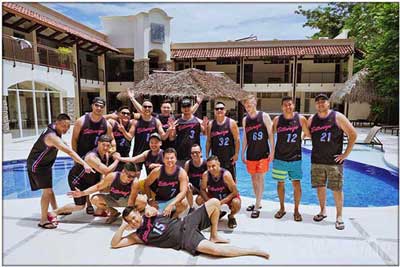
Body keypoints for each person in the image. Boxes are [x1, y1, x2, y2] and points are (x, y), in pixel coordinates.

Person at [111, 198, 270, 260]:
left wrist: (148, 208)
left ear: (138, 214)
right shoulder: (137, 236)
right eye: (131, 220)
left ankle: (214, 234)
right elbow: (115, 244)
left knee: (214, 202)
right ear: (129, 223)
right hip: (184, 240)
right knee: (216, 251)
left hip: (186, 222)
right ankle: (252, 251)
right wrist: (123, 226)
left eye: (134, 216)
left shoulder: (149, 214)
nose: (135, 220)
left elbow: (147, 205)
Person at [26, 113, 94, 229]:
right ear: (57, 123)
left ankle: (56, 210)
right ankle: (43, 220)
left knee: (49, 190)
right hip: (37, 166)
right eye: (63, 126)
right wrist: (84, 164)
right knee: (47, 192)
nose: (66, 129)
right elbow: (69, 152)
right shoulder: (52, 136)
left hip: (45, 165)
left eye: (68, 126)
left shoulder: (55, 129)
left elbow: (64, 144)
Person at [308, 93, 357, 230]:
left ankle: (339, 216)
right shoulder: (312, 119)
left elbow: (353, 134)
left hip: (334, 161)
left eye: (323, 101)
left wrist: (345, 154)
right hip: (317, 160)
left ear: (328, 103)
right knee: (320, 187)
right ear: (315, 105)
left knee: (336, 189)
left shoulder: (337, 117)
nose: (320, 104)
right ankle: (323, 211)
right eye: (318, 102)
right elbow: (307, 132)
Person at [50, 135, 120, 219]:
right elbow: (106, 170)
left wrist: (103, 183)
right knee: (80, 206)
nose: (105, 147)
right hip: (77, 180)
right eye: (103, 145)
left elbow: (104, 172)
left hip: (90, 179)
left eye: (108, 145)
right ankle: (55, 212)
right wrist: (117, 159)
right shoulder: (91, 157)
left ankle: (100, 210)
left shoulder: (106, 154)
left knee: (108, 186)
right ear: (98, 143)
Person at [71, 97, 114, 214]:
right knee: (84, 179)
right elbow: (74, 140)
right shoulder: (81, 121)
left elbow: (111, 140)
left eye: (101, 106)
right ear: (92, 106)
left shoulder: (106, 124)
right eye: (97, 105)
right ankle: (87, 202)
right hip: (83, 157)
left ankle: (91, 202)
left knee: (94, 180)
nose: (99, 108)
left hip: (97, 157)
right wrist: (75, 158)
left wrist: (110, 152)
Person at [272, 96, 311, 222]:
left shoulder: (300, 119)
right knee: (280, 183)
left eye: (290, 104)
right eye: (285, 105)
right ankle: (282, 208)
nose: (288, 107)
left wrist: (301, 137)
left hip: (295, 157)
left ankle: (296, 210)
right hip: (280, 157)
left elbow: (308, 133)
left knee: (296, 184)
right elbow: (270, 135)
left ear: (293, 106)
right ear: (282, 107)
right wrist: (271, 152)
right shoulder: (277, 120)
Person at [67, 163, 146, 224]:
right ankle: (113, 212)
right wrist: (82, 193)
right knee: (94, 199)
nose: (131, 178)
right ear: (123, 171)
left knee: (143, 201)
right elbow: (98, 187)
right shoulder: (112, 176)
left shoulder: (134, 182)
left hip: (126, 200)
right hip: (113, 199)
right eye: (129, 176)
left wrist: (127, 218)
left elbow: (131, 202)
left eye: (133, 176)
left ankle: (135, 213)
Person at [241, 94, 274, 219]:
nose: (248, 107)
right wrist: (243, 152)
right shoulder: (245, 120)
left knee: (260, 178)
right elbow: (245, 137)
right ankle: (257, 201)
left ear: (255, 103)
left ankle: (257, 205)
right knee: (254, 179)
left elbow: (271, 135)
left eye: (250, 105)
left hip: (263, 152)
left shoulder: (264, 116)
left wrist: (272, 152)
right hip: (251, 153)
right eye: (246, 106)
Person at [144, 148, 189, 218]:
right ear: (163, 159)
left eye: (172, 158)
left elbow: (183, 192)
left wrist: (171, 204)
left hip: (173, 201)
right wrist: (150, 199)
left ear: (176, 159)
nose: (169, 160)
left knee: (184, 203)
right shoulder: (157, 171)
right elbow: (146, 184)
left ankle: (173, 219)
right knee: (149, 214)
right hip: (159, 201)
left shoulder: (181, 172)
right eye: (167, 158)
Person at [200, 156, 241, 229]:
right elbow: (202, 189)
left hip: (226, 197)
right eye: (208, 167)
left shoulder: (226, 175)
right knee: (199, 199)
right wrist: (209, 201)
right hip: (214, 197)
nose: (211, 169)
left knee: (236, 203)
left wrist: (221, 202)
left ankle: (231, 216)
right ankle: (218, 213)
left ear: (218, 164)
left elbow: (235, 192)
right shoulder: (206, 175)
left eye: (213, 166)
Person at [206, 101, 240, 181]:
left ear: (225, 111)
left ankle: (234, 193)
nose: (219, 110)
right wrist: (207, 155)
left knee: (231, 179)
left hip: (229, 157)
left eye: (221, 108)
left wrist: (236, 154)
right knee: (217, 179)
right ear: (214, 111)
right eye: (217, 109)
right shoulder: (211, 124)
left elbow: (237, 140)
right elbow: (208, 141)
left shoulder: (231, 123)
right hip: (216, 158)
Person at [174, 98, 206, 167]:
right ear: (181, 108)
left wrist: (205, 128)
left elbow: (205, 134)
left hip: (195, 155)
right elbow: (172, 137)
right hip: (181, 155)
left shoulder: (198, 122)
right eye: (184, 107)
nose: (186, 109)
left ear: (191, 107)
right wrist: (171, 130)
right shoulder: (177, 122)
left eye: (188, 106)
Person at [107, 106, 135, 170]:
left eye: (128, 114)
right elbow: (100, 118)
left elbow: (129, 138)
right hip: (113, 155)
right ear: (118, 114)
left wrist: (123, 131)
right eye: (123, 113)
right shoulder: (113, 123)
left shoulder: (131, 124)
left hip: (125, 156)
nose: (126, 115)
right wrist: (110, 115)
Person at [184, 144, 207, 212]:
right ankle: (191, 208)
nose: (194, 154)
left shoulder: (206, 163)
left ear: (201, 153)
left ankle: (208, 210)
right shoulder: (188, 164)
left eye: (197, 152)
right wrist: (187, 183)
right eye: (192, 153)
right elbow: (184, 177)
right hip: (193, 187)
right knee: (187, 187)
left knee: (199, 200)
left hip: (203, 188)